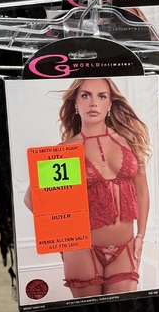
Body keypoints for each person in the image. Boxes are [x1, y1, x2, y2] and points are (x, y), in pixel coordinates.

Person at [59, 77, 150, 298]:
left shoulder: (128, 141)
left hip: (125, 247)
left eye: (102, 96)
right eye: (85, 95)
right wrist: (64, 235)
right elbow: (33, 199)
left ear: (110, 104)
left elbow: (142, 192)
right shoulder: (65, 150)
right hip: (82, 250)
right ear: (75, 103)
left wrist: (140, 236)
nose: (93, 103)